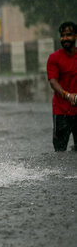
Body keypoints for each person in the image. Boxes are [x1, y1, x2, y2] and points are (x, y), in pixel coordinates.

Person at [46, 21, 77, 151]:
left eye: (68, 35)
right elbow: (53, 82)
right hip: (61, 111)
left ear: (75, 36)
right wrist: (67, 95)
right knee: (59, 151)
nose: (65, 38)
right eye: (62, 35)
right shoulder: (54, 58)